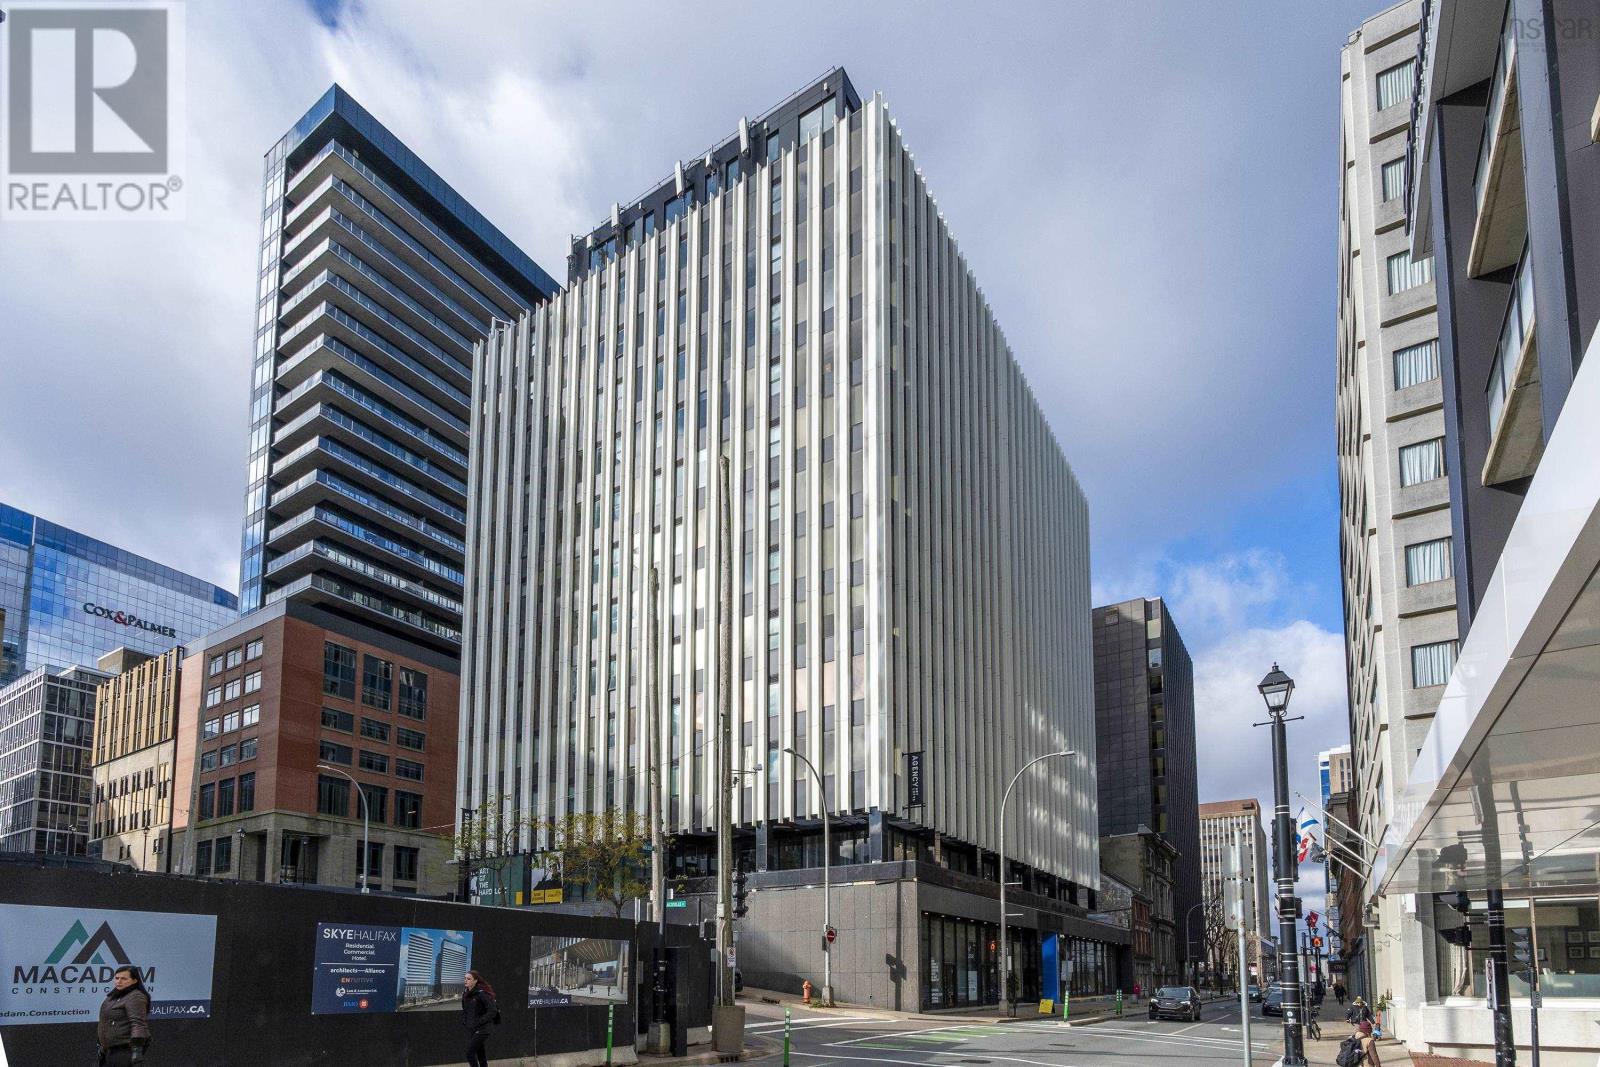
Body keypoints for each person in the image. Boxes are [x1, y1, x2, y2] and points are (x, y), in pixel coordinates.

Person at [96, 965, 151, 1066]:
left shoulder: (136, 996)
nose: (119, 981)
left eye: (124, 979)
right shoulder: (113, 996)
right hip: (109, 1051)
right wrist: (101, 1046)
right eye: (117, 978)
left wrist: (137, 1050)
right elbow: (105, 1021)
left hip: (125, 1050)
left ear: (134, 981)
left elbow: (138, 1024)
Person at [461, 970, 497, 1067]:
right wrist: (465, 1020)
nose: (465, 980)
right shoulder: (465, 993)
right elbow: (465, 1010)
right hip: (472, 1027)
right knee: (480, 1053)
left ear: (475, 981)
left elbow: (493, 1010)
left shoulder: (482, 993)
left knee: (469, 1054)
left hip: (483, 1028)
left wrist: (480, 1021)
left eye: (469, 979)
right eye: (465, 978)